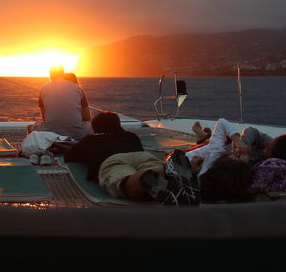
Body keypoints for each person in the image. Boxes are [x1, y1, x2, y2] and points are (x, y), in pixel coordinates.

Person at [65, 112, 200, 205]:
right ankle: (165, 171)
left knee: (125, 183)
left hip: (114, 160)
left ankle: (163, 173)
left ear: (95, 128)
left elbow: (69, 157)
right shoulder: (131, 136)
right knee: (150, 168)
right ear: (118, 125)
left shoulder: (90, 139)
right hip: (142, 156)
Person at [28, 66, 92, 140]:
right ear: (63, 74)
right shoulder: (78, 89)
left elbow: (44, 118)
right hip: (77, 134)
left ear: (51, 76)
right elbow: (87, 118)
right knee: (90, 125)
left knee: (30, 127)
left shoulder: (43, 88)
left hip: (50, 134)